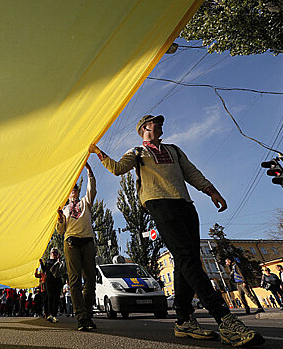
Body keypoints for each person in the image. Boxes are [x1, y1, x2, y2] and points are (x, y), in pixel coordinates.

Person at [89, 114, 264, 346]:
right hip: (159, 203)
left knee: (188, 259)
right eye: (156, 122)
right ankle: (224, 319)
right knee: (185, 258)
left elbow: (191, 172)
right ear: (144, 128)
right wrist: (98, 152)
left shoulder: (174, 150)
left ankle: (183, 321)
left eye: (161, 121)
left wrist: (211, 191)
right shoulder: (137, 153)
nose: (161, 124)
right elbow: (118, 169)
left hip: (184, 203)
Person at [56, 162, 97, 332]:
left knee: (90, 280)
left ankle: (88, 315)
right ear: (68, 194)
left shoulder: (85, 203)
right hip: (71, 243)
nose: (73, 192)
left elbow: (91, 190)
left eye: (75, 190)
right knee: (74, 281)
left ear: (78, 192)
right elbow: (61, 230)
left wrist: (89, 171)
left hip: (87, 241)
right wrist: (59, 220)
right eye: (71, 190)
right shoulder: (64, 209)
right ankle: (80, 317)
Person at [39, 248, 64, 323]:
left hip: (57, 281)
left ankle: (54, 315)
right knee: (50, 297)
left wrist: (59, 261)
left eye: (56, 252)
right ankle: (49, 314)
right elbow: (44, 270)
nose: (55, 254)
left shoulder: (59, 261)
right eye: (53, 252)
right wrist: (41, 263)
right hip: (49, 281)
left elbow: (62, 270)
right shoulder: (48, 261)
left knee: (56, 298)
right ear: (50, 253)